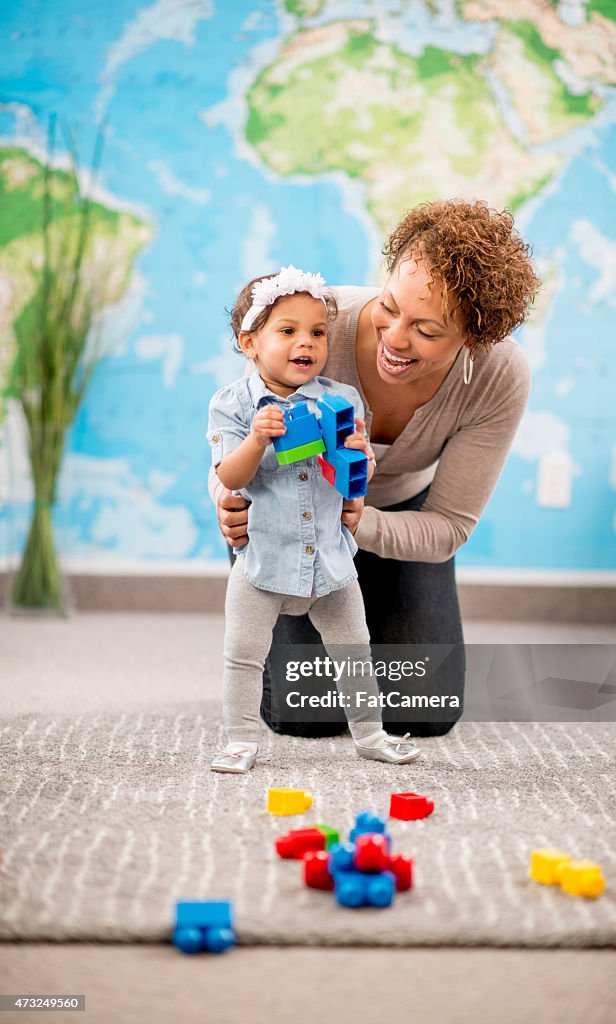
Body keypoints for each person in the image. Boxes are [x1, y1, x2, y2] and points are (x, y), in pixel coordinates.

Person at [209, 199, 539, 739]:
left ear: (474, 340)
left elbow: (449, 526)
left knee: (424, 710)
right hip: (290, 512)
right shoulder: (312, 324)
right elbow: (232, 429)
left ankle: (369, 616)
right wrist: (224, 501)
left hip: (394, 517)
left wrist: (358, 524)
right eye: (390, 305)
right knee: (306, 711)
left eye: (428, 331)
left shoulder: (497, 375)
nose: (395, 337)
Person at [207, 265, 422, 773]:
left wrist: (360, 453)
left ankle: (371, 735)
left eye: (318, 332)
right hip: (263, 561)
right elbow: (231, 477)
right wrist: (259, 439)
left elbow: (358, 477)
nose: (306, 342)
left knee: (354, 650)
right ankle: (239, 740)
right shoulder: (233, 405)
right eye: (288, 331)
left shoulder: (340, 400)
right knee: (243, 654)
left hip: (329, 559)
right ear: (250, 343)